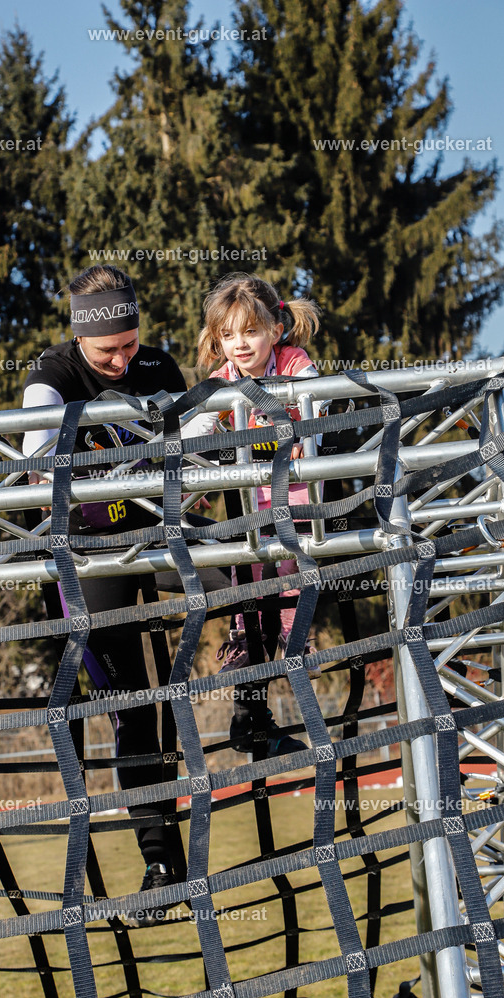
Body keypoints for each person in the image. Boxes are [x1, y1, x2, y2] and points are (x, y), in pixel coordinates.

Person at [22, 265, 189, 925]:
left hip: (162, 537)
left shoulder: (158, 366)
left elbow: (197, 452)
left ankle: (256, 723)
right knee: (127, 707)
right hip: (89, 556)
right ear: (79, 338)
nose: (122, 360)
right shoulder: (53, 375)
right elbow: (35, 460)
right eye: (106, 352)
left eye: (129, 344)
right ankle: (144, 864)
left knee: (168, 694)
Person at [193, 272, 324, 757]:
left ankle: (296, 638)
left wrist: (290, 425)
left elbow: (313, 401)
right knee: (249, 585)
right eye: (228, 336)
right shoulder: (222, 381)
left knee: (290, 569)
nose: (240, 345)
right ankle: (245, 649)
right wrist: (191, 478)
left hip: (292, 501)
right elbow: (196, 430)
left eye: (250, 332)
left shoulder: (293, 364)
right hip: (248, 509)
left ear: (274, 328)